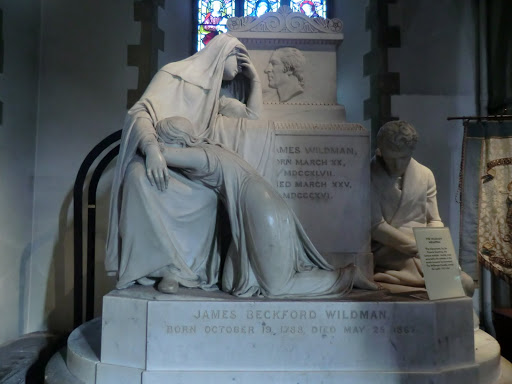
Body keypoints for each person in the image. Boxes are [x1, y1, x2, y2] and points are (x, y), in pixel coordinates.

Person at [106, 34, 273, 292]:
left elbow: (252, 116)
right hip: (157, 155)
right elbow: (141, 113)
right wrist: (151, 150)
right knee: (137, 178)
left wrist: (255, 80)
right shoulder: (171, 75)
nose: (242, 65)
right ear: (220, 54)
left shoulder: (215, 95)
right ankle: (162, 267)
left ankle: (183, 271)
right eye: (239, 58)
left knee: (208, 197)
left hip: (189, 167)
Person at [155, 116, 378, 297]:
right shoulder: (211, 151)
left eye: (163, 138)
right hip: (253, 208)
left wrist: (147, 140)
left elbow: (163, 155)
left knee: (277, 287)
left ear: (178, 140)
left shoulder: (203, 155)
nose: (161, 143)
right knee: (233, 283)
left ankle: (346, 276)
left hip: (262, 209)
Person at [371, 120, 474, 295]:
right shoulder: (367, 177)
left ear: (411, 151)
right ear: (380, 151)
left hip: (424, 251)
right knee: (444, 289)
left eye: (403, 158)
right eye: (391, 158)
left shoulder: (425, 175)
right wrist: (418, 249)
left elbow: (434, 220)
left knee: (466, 284)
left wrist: (437, 250)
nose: (397, 165)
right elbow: (376, 226)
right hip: (389, 253)